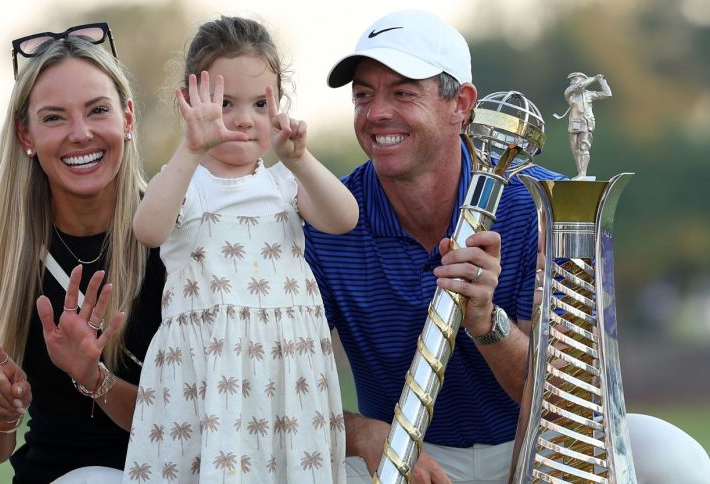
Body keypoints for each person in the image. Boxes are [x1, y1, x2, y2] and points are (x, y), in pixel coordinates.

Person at [304, 9, 710, 484]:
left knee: (672, 457)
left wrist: (485, 321)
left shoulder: (546, 208)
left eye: (403, 93)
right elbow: (287, 378)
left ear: (462, 105)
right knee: (308, 467)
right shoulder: (326, 218)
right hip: (406, 449)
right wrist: (364, 435)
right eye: (363, 95)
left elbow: (568, 397)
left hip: (538, 439)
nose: (376, 113)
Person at [123, 15, 357, 483]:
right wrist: (189, 151)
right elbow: (147, 230)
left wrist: (302, 160)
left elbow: (344, 217)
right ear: (189, 103)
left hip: (286, 375)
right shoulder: (186, 181)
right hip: (209, 377)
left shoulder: (284, 182)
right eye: (224, 103)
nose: (243, 118)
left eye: (259, 104)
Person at [0, 24, 164, 483]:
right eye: (53, 118)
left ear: (127, 119)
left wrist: (94, 377)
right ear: (25, 136)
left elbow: (195, 417)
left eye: (98, 110)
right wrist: (1, 415)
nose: (80, 133)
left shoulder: (181, 238)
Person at [554, 71, 612, 179]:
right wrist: (593, 78)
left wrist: (601, 80)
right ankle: (580, 172)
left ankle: (582, 174)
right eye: (571, 80)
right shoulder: (569, 93)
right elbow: (579, 86)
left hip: (586, 122)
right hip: (574, 123)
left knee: (584, 147)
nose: (572, 82)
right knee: (575, 149)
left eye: (575, 79)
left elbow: (607, 94)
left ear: (582, 78)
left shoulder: (589, 94)